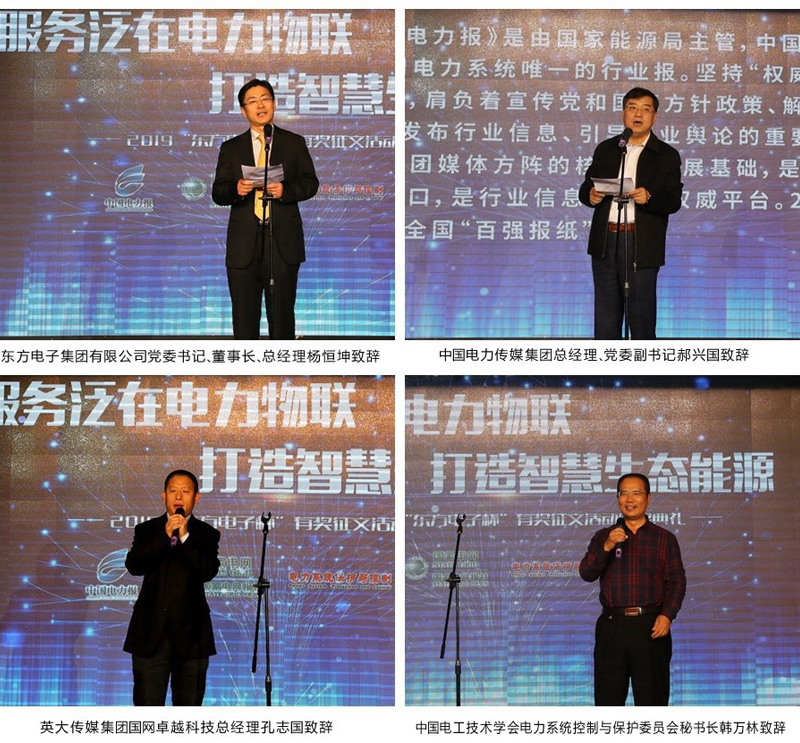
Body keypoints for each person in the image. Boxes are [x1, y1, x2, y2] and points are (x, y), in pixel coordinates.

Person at [212, 78, 319, 340]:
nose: (260, 105)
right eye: (252, 101)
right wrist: (236, 189)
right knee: (244, 318)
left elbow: (310, 183)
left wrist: (285, 191)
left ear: (274, 103)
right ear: (243, 111)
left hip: (282, 242)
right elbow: (218, 192)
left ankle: (281, 365)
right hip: (243, 244)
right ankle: (246, 365)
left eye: (265, 99)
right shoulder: (231, 148)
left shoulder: (293, 143)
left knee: (282, 317)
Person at [578, 87, 683, 339]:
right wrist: (590, 195)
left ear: (654, 117)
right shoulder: (607, 148)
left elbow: (673, 200)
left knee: (641, 315)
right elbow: (586, 186)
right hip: (606, 241)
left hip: (641, 244)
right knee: (606, 316)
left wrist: (650, 197)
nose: (638, 114)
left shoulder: (666, 155)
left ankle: (640, 363)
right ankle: (607, 363)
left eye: (646, 109)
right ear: (623, 113)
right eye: (632, 108)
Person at [579, 473, 686, 705]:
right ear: (618, 498)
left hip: (651, 627)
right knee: (608, 703)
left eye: (636, 493)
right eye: (624, 493)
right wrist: (607, 546)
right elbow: (586, 573)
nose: (630, 499)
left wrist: (667, 616)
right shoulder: (603, 536)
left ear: (648, 498)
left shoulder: (664, 539)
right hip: (612, 627)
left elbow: (677, 581)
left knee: (652, 702)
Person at [123, 470, 220, 705]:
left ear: (196, 497)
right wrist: (164, 535)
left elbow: (207, 571)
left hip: (192, 638)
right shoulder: (147, 530)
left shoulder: (206, 534)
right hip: (150, 635)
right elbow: (134, 565)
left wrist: (185, 537)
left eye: (185, 491)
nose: (178, 496)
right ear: (164, 496)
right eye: (173, 491)